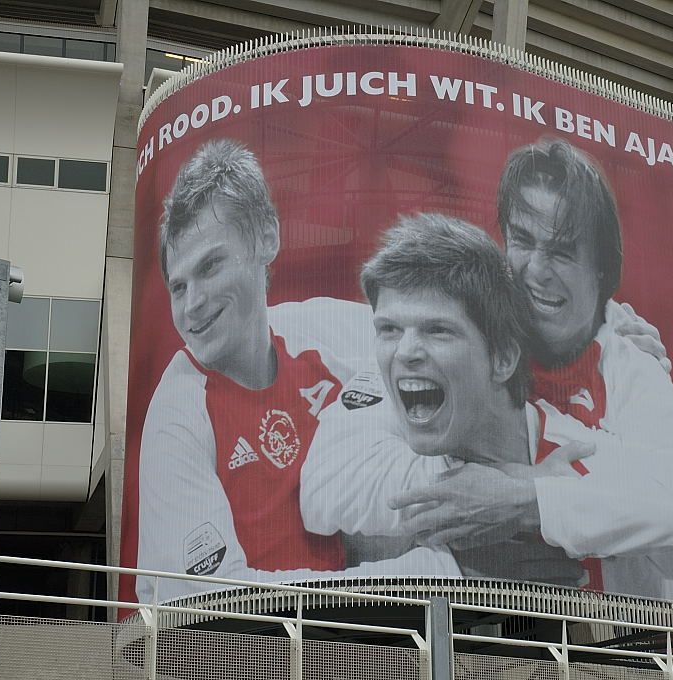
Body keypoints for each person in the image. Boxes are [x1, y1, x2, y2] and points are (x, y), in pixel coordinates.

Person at [402, 138, 673, 608]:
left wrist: (525, 498)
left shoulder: (630, 359)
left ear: (602, 269)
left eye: (563, 252)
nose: (537, 271)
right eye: (523, 241)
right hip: (490, 634)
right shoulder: (470, 333)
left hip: (618, 647)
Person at [302, 214, 673, 591]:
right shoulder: (382, 380)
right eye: (388, 328)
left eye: (438, 330)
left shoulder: (596, 412)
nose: (406, 349)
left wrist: (527, 503)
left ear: (504, 357)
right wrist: (514, 494)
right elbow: (323, 494)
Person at [135, 139, 456, 603]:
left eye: (210, 266)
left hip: (352, 641)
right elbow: (207, 604)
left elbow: (454, 369)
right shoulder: (178, 411)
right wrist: (428, 573)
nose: (192, 305)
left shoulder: (328, 333)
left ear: (267, 238)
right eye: (178, 286)